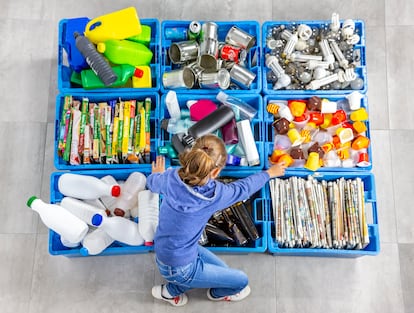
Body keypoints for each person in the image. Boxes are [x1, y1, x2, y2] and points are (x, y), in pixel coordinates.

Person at [146, 134, 286, 306]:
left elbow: (152, 183)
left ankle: (170, 291)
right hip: (180, 266)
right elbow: (244, 188)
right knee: (241, 281)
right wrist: (269, 173)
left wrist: (156, 176)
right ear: (215, 172)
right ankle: (215, 293)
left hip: (167, 251)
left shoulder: (170, 177)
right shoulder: (214, 195)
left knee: (223, 271)